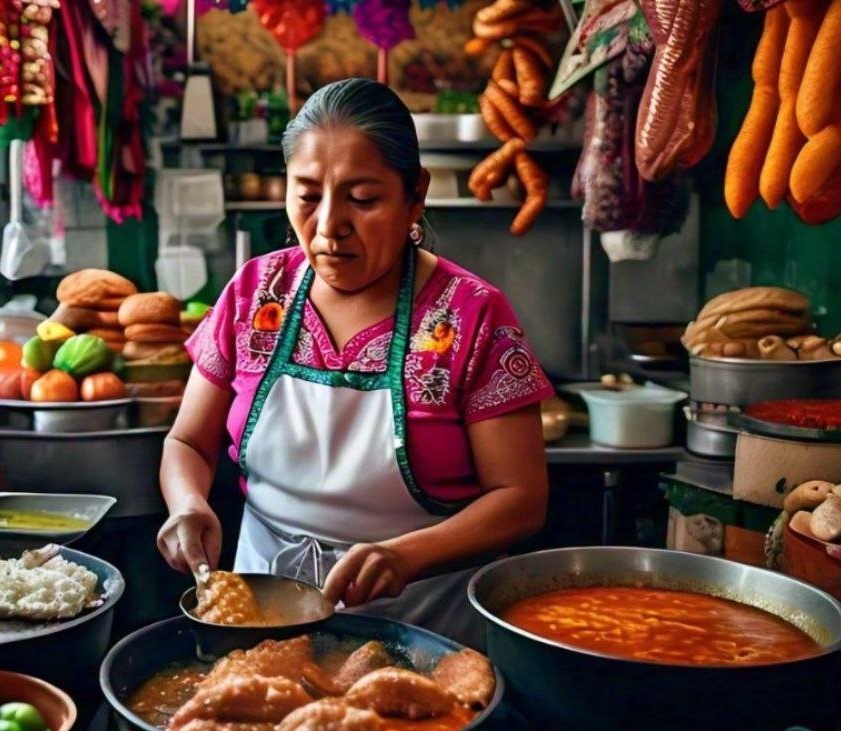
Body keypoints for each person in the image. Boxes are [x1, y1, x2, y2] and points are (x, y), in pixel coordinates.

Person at [157, 78, 552, 647]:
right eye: (307, 195)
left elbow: (521, 500)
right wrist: (188, 504)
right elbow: (187, 444)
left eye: (362, 199)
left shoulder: (471, 315)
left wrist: (405, 555)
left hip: (424, 631)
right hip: (259, 624)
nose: (328, 226)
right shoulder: (255, 293)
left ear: (415, 195)